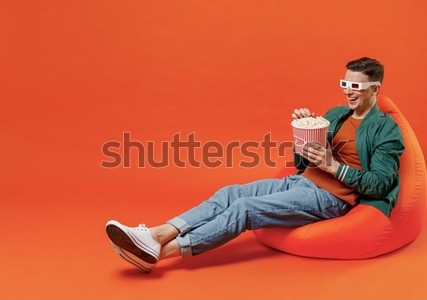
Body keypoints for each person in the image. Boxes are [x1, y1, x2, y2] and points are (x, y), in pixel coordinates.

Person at [105, 57, 404, 272]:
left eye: (356, 86)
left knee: (245, 209)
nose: (348, 91)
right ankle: (155, 235)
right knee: (229, 193)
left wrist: (332, 166)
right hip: (300, 181)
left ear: (375, 89)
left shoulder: (385, 129)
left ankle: (160, 254)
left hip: (329, 198)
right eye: (344, 83)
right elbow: (302, 160)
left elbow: (381, 183)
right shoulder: (337, 113)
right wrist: (304, 131)